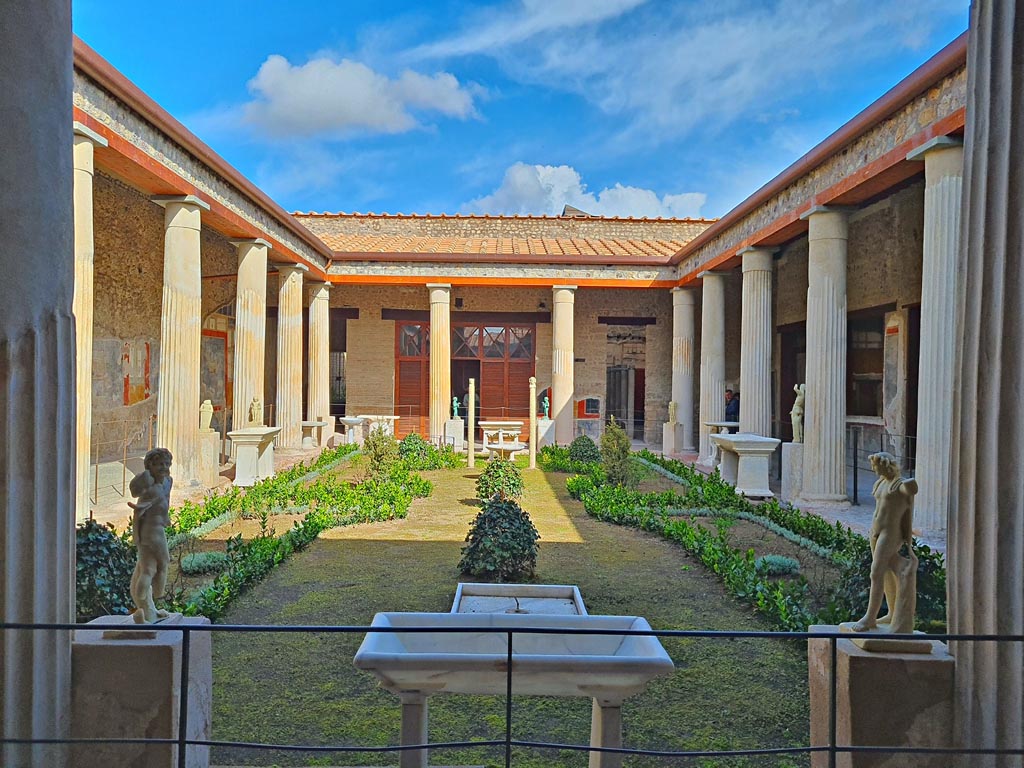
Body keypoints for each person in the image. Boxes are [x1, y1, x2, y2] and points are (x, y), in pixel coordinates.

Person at [850, 452, 919, 634]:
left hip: (891, 534)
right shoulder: (881, 482)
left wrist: (910, 482)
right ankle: (891, 612)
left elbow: (912, 489)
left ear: (887, 465)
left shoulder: (900, 485)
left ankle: (870, 618)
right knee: (887, 572)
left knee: (876, 572)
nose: (875, 470)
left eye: (877, 467)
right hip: (876, 532)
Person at [128, 447, 173, 624]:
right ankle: (151, 600)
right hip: (151, 532)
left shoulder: (167, 482)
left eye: (166, 463)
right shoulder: (152, 489)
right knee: (158, 565)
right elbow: (139, 510)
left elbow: (165, 502)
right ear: (150, 467)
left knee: (148, 568)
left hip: (157, 529)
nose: (164, 467)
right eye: (159, 464)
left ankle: (149, 608)